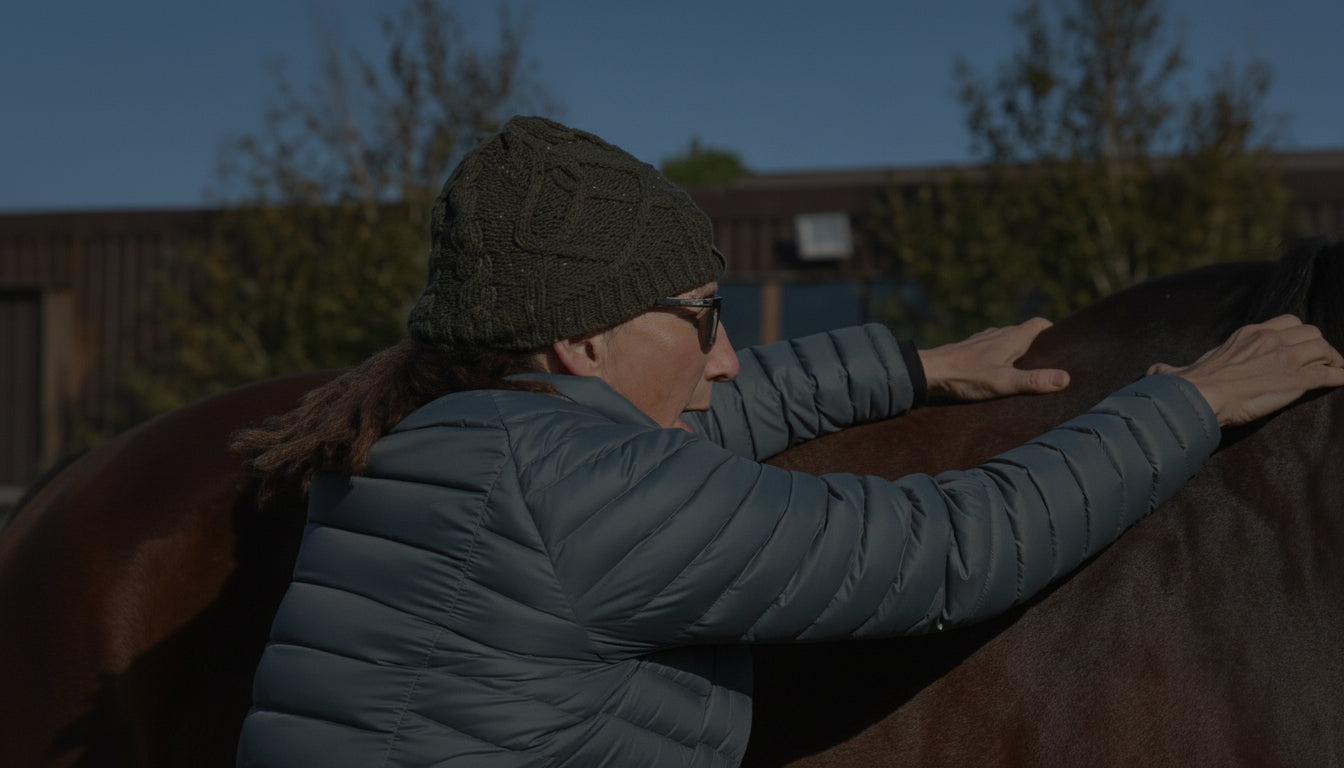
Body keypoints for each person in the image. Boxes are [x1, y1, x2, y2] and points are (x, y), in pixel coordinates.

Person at [234, 116, 1344, 768]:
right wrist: (1191, 400)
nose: (724, 357)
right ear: (579, 339)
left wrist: (913, 369)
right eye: (701, 314)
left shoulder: (432, 434)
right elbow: (959, 544)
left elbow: (693, 422)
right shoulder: (578, 496)